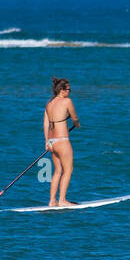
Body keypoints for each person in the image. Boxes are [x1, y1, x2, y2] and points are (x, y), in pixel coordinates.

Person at [44, 77, 80, 206]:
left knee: (58, 171)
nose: (70, 92)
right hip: (62, 141)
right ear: (63, 90)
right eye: (69, 89)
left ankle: (52, 201)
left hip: (52, 142)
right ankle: (62, 200)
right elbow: (74, 117)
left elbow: (46, 123)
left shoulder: (49, 104)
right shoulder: (67, 101)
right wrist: (77, 124)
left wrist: (47, 142)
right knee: (68, 170)